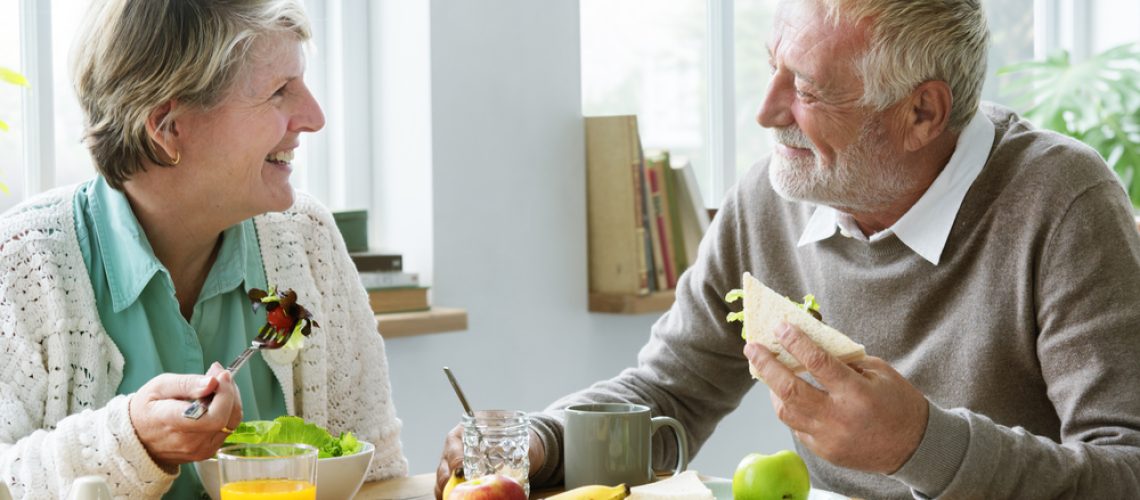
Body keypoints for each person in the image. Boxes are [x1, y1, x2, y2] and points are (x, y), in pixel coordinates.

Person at [436, 0, 1140, 497]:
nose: (766, 111)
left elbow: (1127, 471)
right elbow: (671, 391)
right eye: (774, 68)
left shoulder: (1065, 202)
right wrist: (543, 441)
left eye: (804, 88)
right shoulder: (772, 195)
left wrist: (920, 446)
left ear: (920, 112)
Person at [0, 1, 408, 498]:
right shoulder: (24, 261)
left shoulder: (308, 240)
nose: (314, 117)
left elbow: (376, 473)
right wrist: (131, 440)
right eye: (280, 91)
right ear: (168, 127)